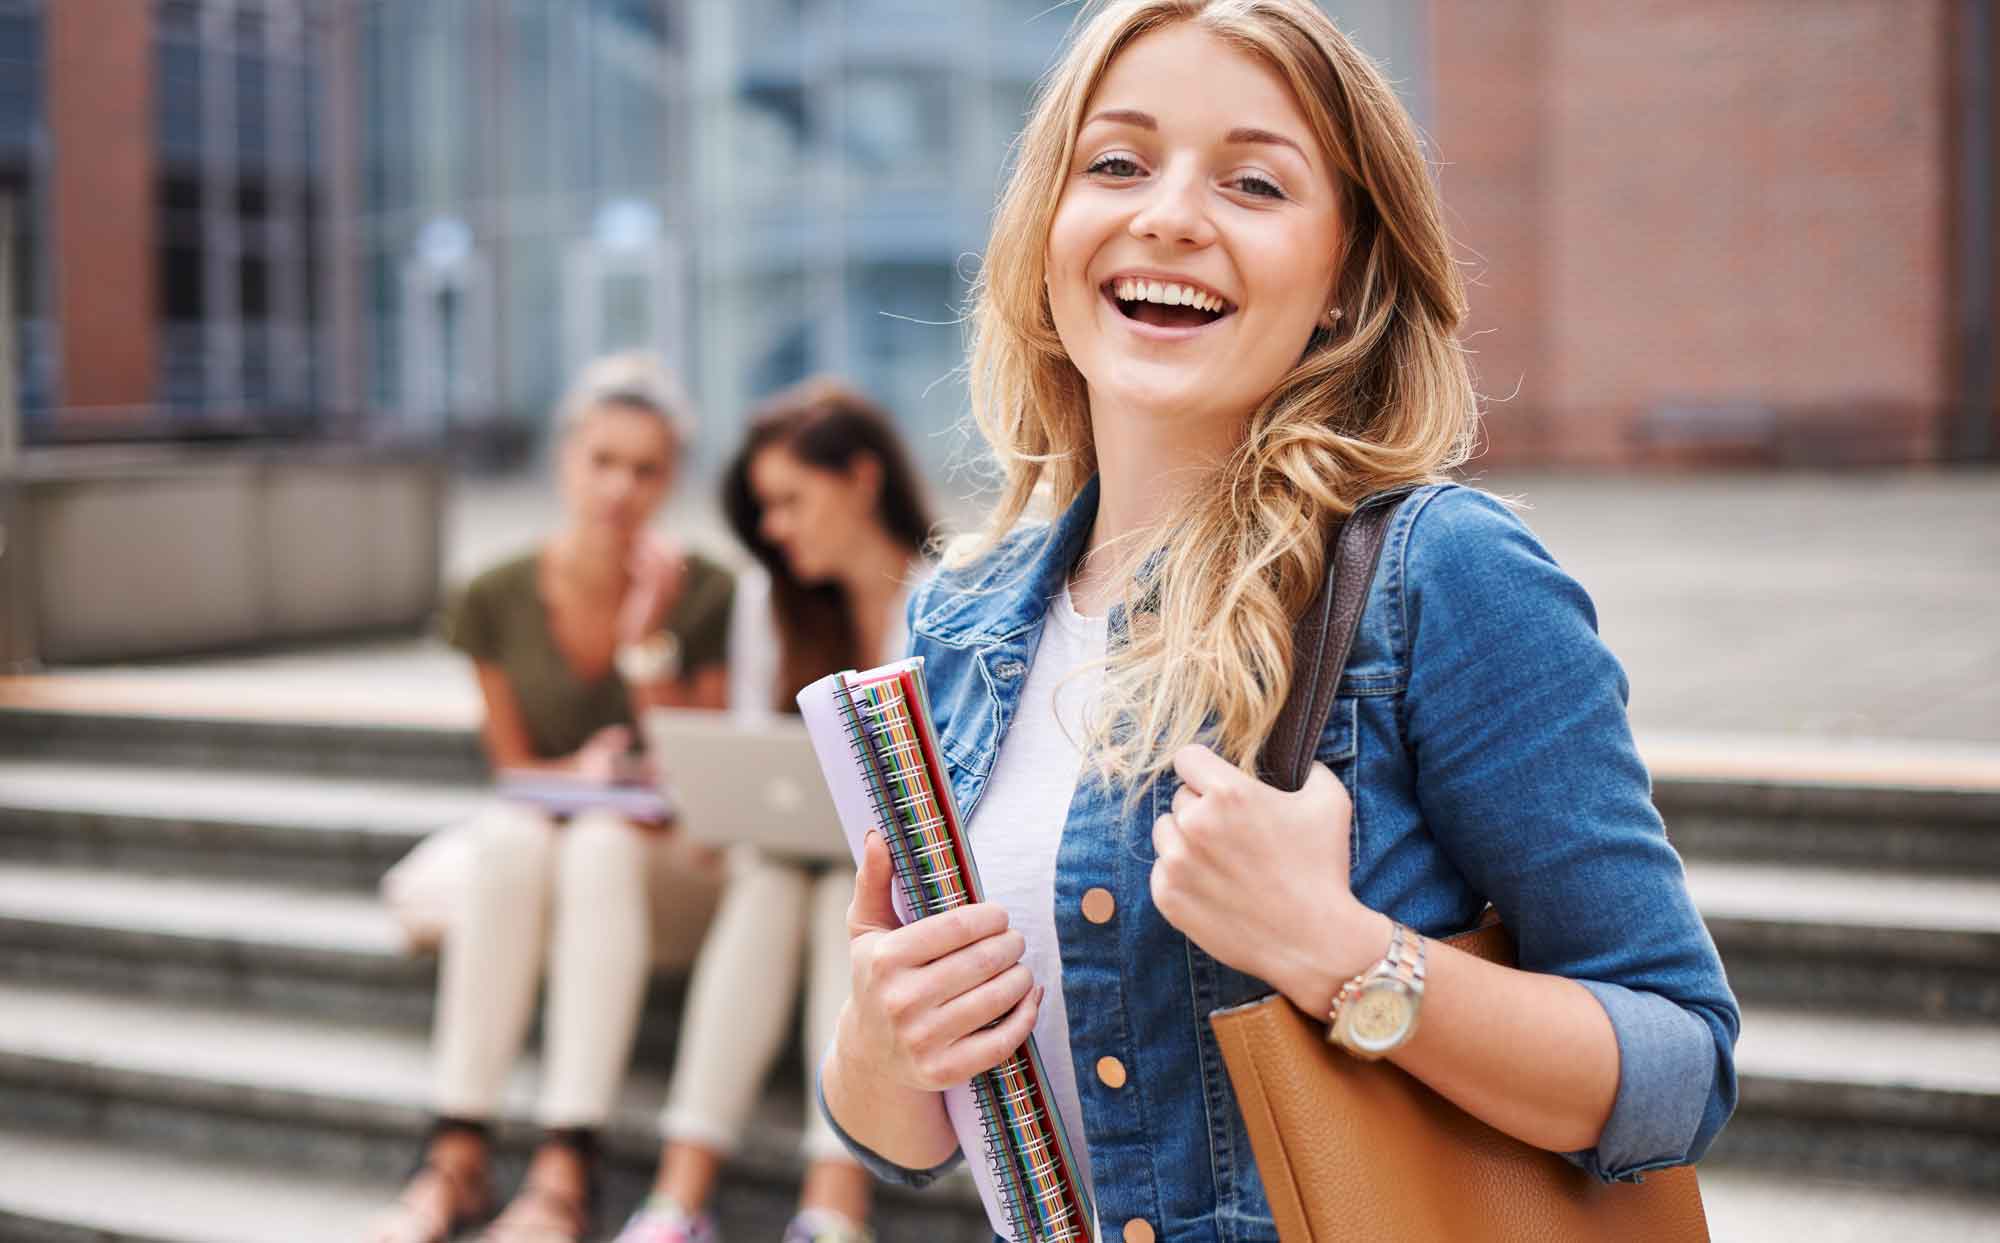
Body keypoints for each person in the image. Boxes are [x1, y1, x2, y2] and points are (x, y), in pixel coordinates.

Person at [816, 3, 1741, 1240]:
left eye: (1252, 183)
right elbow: (904, 1133)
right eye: (1117, 163)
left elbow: (1680, 1068)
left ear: (1346, 276)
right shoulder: (959, 621)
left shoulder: (1438, 578)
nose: (1169, 215)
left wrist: (1337, 950)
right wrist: (880, 1048)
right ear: (1047, 223)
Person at [368, 352, 736, 1243]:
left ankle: (568, 1168)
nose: (620, 487)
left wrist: (647, 641)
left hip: (657, 865)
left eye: (645, 469)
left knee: (599, 844)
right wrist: (587, 775)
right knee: (511, 835)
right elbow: (512, 765)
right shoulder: (493, 594)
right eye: (603, 460)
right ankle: (456, 1152)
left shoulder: (703, 591)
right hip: (542, 839)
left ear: (671, 479)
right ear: (567, 459)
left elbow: (703, 776)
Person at [609, 378, 934, 1243]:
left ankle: (827, 1205)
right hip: (792, 867)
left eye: (791, 500)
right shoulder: (773, 600)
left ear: (862, 479)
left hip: (918, 886)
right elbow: (757, 768)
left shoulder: (954, 594)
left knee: (841, 893)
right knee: (780, 879)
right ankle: (682, 1205)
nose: (778, 529)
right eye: (766, 509)